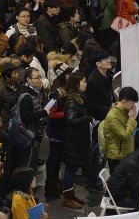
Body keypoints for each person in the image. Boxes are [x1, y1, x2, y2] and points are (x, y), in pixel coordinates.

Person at [61, 71, 92, 209]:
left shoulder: (78, 98)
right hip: (73, 142)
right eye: (83, 81)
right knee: (70, 170)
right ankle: (67, 198)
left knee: (71, 170)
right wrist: (88, 118)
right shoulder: (73, 101)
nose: (86, 83)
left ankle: (70, 194)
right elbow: (71, 120)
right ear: (76, 84)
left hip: (76, 141)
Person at [105, 135, 139, 211]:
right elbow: (138, 189)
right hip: (119, 197)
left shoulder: (138, 158)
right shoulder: (133, 163)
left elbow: (137, 183)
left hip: (124, 190)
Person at [101, 86, 139, 173]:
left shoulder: (124, 111)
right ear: (124, 102)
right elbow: (125, 135)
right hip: (117, 158)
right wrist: (132, 119)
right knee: (118, 184)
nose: (134, 106)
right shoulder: (113, 116)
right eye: (132, 103)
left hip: (125, 154)